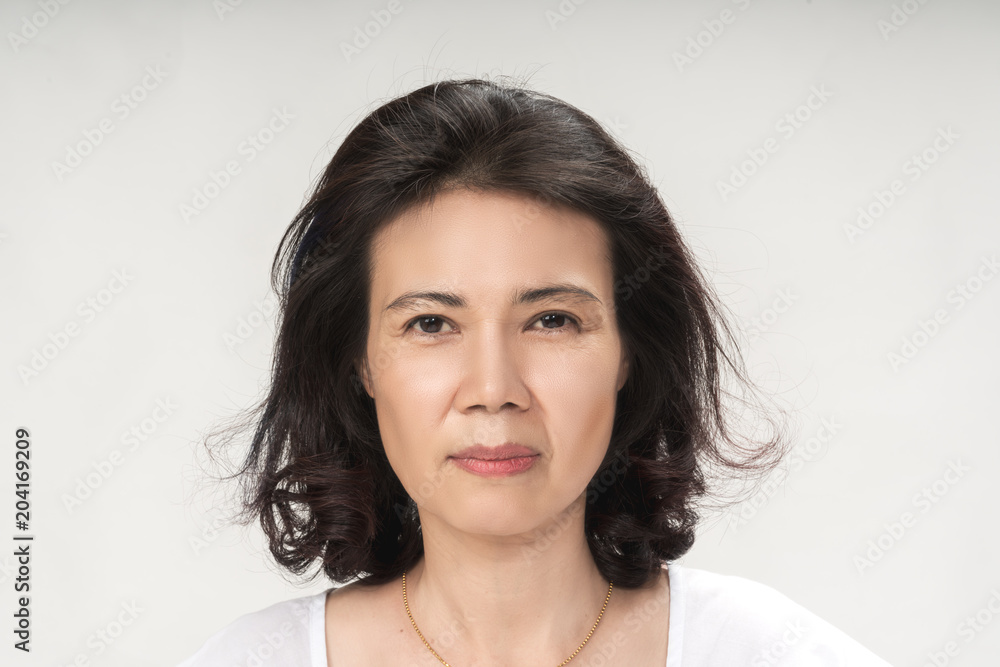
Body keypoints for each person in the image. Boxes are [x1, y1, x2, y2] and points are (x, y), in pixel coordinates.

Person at [179, 77, 892, 666]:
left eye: (553, 320)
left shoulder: (773, 651)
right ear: (358, 361)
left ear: (629, 353)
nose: (494, 389)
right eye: (431, 323)